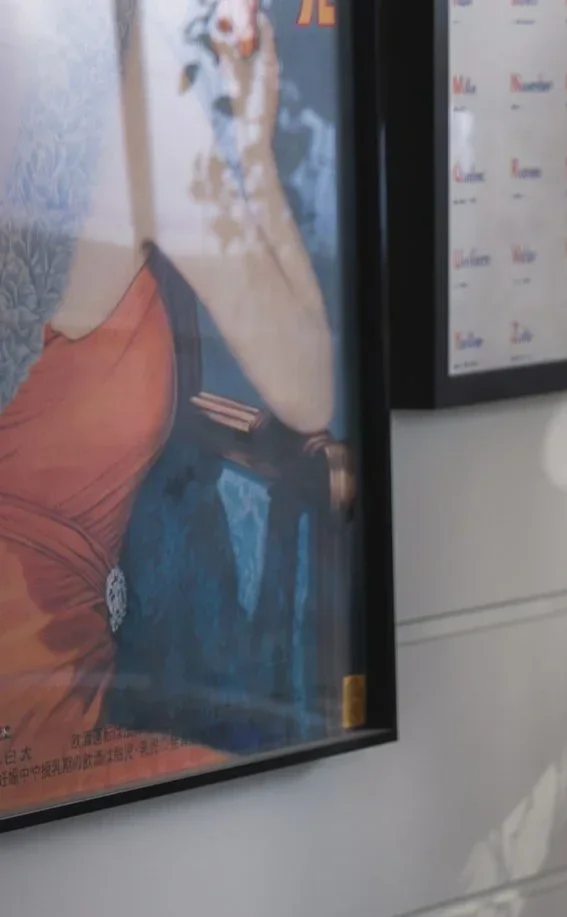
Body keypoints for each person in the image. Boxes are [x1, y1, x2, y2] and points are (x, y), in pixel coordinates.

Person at [0, 0, 342, 811]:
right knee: (278, 823)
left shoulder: (77, 119)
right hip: (33, 713)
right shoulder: (141, 126)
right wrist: (249, 165)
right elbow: (308, 386)